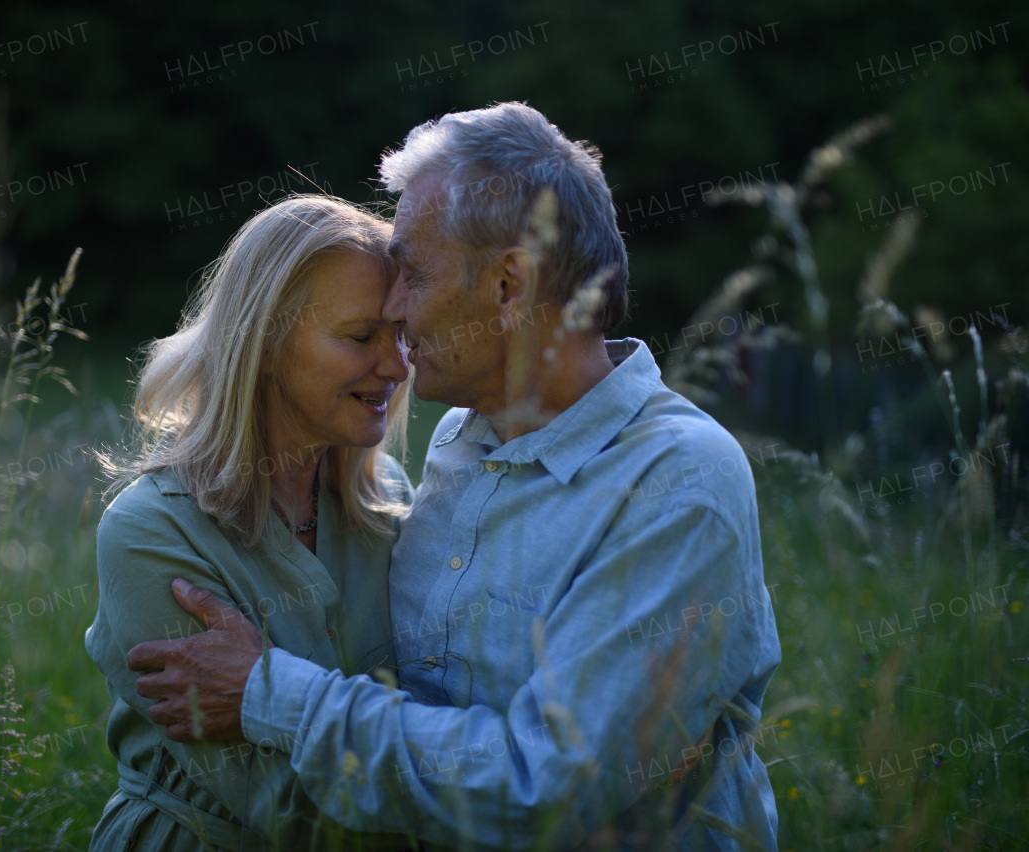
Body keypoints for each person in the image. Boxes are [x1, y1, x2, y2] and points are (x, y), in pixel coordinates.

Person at [128, 103, 782, 850]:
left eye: (409, 271)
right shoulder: (458, 444)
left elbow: (547, 791)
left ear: (510, 285)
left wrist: (268, 695)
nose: (394, 307)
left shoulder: (677, 481)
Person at [84, 195, 417, 851]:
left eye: (401, 333)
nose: (399, 366)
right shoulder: (151, 531)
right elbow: (283, 809)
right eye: (360, 337)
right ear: (262, 341)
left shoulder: (391, 504)